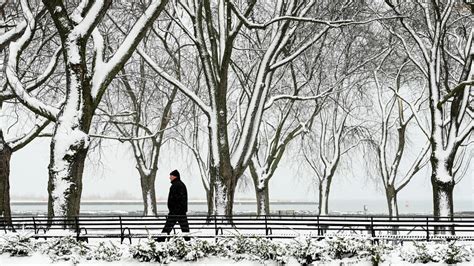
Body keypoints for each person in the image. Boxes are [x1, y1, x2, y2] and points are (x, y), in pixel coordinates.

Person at [157, 170, 190, 241]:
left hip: (176, 211)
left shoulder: (176, 185)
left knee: (168, 226)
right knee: (184, 228)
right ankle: (188, 241)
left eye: (171, 176)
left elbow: (175, 199)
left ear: (175, 176)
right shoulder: (180, 184)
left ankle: (160, 240)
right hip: (180, 211)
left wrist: (172, 208)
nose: (169, 177)